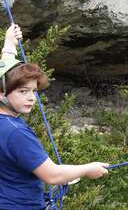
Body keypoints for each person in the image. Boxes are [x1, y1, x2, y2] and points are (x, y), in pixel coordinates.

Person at [0, 24, 109, 210]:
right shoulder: (16, 133)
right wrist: (86, 169)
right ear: (2, 93)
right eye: (23, 91)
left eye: (33, 91)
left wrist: (9, 45)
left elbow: (4, 74)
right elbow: (52, 176)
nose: (31, 98)